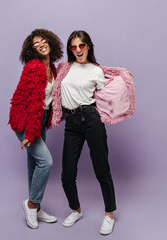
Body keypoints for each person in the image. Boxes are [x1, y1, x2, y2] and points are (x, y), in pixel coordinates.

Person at [51, 30, 135, 235]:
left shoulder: (96, 71)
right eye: (74, 46)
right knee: (67, 174)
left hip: (91, 120)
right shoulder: (64, 68)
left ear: (88, 46)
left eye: (82, 45)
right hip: (71, 123)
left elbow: (107, 91)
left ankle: (109, 215)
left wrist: (125, 77)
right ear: (70, 50)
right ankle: (76, 210)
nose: (78, 50)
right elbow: (51, 82)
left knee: (101, 169)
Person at [8, 29, 63, 229]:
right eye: (35, 44)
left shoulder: (54, 69)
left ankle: (37, 208)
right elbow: (32, 103)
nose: (40, 44)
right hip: (25, 121)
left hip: (40, 120)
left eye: (42, 40)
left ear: (50, 42)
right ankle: (30, 204)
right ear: (32, 51)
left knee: (35, 164)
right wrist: (30, 133)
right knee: (46, 162)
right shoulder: (34, 67)